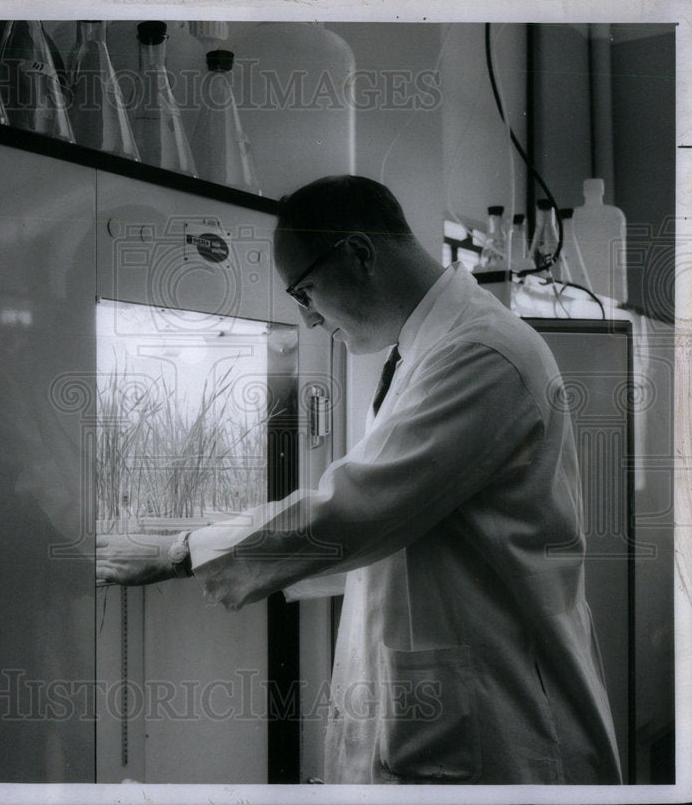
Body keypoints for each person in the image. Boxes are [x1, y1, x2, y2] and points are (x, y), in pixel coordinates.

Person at [96, 175, 622, 784]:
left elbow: (359, 506)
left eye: (305, 291)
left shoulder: (483, 352)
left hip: (501, 724)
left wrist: (179, 551)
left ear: (360, 254)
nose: (309, 320)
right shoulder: (425, 352)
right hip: (449, 706)